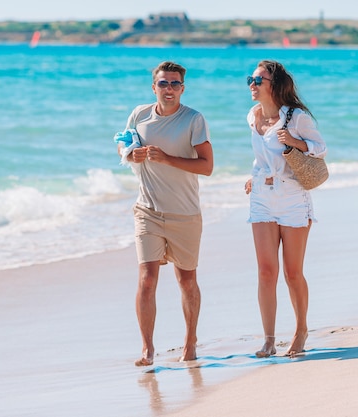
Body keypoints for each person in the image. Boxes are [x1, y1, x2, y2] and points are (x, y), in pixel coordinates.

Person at [116, 61, 214, 366]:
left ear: (182, 89)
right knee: (147, 278)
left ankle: (190, 341)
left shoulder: (193, 120)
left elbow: (207, 166)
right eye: (163, 83)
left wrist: (168, 159)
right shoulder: (139, 115)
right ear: (153, 87)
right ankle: (147, 348)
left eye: (174, 84)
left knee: (186, 281)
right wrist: (130, 154)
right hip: (147, 210)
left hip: (184, 214)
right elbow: (123, 145)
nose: (168, 89)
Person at [243, 60, 327, 358]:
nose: (251, 84)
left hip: (293, 198)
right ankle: (268, 339)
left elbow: (320, 148)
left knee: (292, 273)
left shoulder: (296, 117)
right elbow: (262, 156)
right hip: (263, 198)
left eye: (258, 79)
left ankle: (301, 330)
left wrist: (294, 141)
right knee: (266, 272)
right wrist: (254, 175)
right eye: (250, 79)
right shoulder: (252, 116)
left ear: (274, 85)